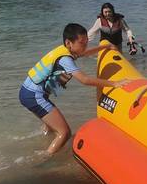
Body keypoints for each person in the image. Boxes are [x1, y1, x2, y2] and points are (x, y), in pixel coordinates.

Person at [19, 23, 130, 156]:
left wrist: (105, 46)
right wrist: (114, 83)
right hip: (34, 96)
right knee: (64, 133)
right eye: (82, 43)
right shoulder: (65, 59)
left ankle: (43, 141)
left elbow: (85, 53)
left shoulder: (64, 50)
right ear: (68, 43)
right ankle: (44, 159)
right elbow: (84, 80)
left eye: (86, 42)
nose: (85, 46)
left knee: (50, 126)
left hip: (27, 92)